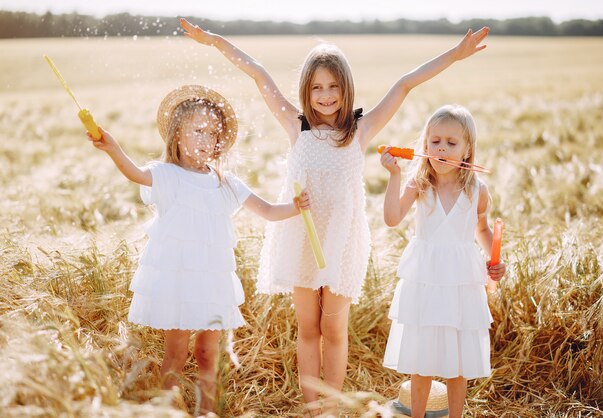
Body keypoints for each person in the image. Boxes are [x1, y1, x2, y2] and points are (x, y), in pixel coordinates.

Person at [180, 18, 488, 416]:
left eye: (333, 86)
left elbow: (406, 83)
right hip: (301, 237)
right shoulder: (297, 127)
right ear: (306, 91)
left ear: (346, 89)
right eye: (316, 87)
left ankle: (333, 408)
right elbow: (258, 74)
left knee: (334, 330)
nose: (325, 96)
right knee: (308, 329)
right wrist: (216, 41)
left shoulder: (361, 130)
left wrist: (456, 54)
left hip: (343, 242)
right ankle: (313, 409)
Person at [86, 85, 310, 414]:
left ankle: (208, 411)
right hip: (179, 281)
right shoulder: (166, 175)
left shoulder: (226, 182)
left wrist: (296, 206)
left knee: (209, 354)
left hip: (213, 281)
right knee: (175, 354)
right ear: (177, 134)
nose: (208, 140)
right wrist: (113, 148)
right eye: (199, 131)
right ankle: (169, 410)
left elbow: (269, 212)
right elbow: (134, 173)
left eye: (214, 134)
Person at [379, 104, 506, 418]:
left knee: (457, 366)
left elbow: (481, 228)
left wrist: (496, 259)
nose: (442, 148)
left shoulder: (477, 190)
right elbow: (392, 218)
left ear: (467, 150)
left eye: (451, 143)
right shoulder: (419, 184)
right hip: (426, 279)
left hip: (460, 280)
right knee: (421, 363)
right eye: (435, 141)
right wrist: (395, 175)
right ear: (425, 145)